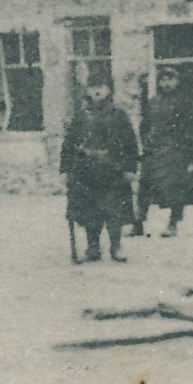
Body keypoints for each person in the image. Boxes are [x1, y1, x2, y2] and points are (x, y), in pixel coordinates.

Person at [59, 80, 138, 263]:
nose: (96, 91)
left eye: (100, 87)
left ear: (108, 90)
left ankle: (116, 247)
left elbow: (130, 144)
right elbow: (68, 145)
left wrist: (130, 168)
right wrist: (65, 169)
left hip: (113, 170)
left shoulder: (118, 115)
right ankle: (93, 247)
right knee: (90, 211)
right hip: (86, 171)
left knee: (114, 210)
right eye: (93, 87)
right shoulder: (80, 116)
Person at [136, 65, 193, 238]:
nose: (166, 83)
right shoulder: (153, 102)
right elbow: (144, 125)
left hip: (176, 152)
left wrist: (192, 160)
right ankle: (138, 224)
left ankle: (173, 223)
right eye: (162, 80)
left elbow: (192, 133)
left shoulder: (186, 103)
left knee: (176, 189)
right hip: (154, 152)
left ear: (177, 81)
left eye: (169, 79)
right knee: (145, 186)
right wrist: (146, 144)